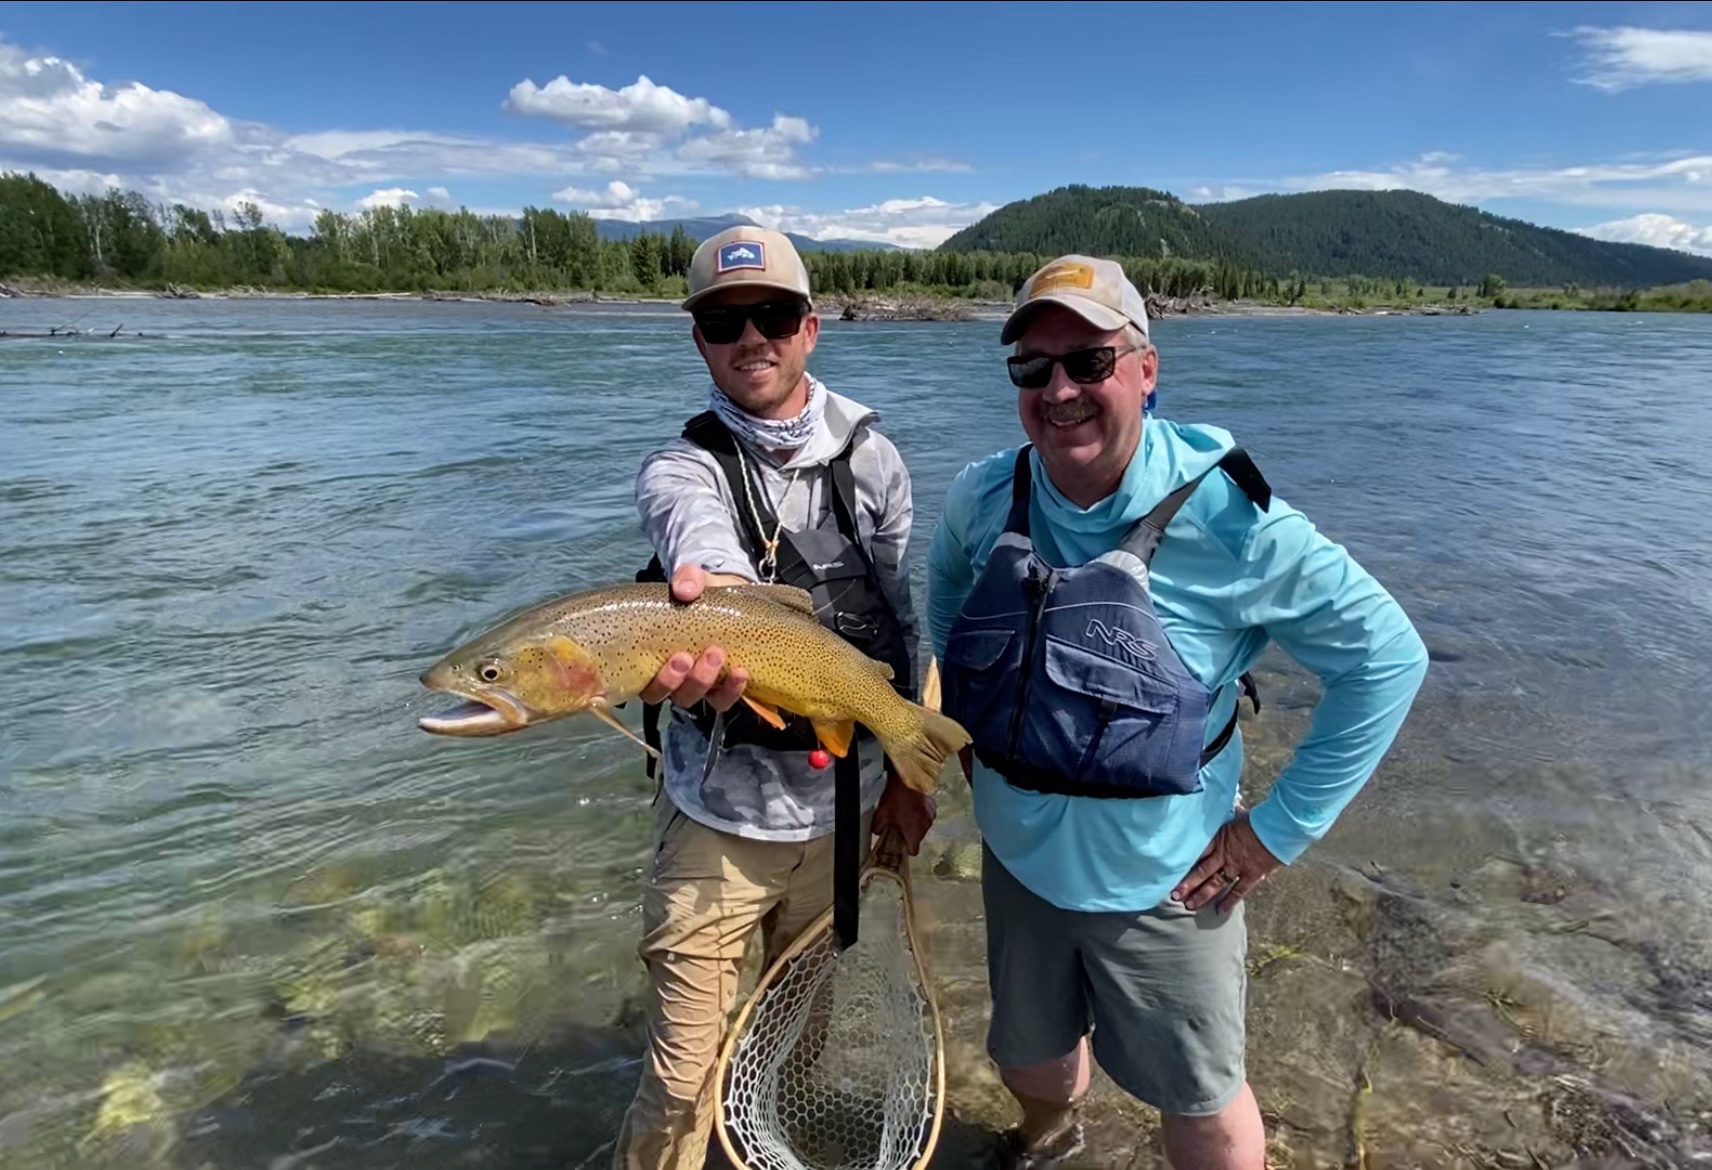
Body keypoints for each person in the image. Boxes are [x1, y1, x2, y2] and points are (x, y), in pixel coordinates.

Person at [927, 255, 1429, 1169]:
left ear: (1146, 369)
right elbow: (952, 604)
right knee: (1031, 1054)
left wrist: (1272, 835)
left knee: (1199, 1096)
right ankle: (1051, 1144)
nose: (1061, 390)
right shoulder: (980, 495)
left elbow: (1388, 661)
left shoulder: (1240, 526)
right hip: (1017, 857)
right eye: (1033, 369)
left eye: (1090, 361)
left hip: (1165, 881)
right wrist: (963, 733)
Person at [613, 225, 938, 1170]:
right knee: (681, 1076)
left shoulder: (875, 461)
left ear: (810, 326)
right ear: (699, 340)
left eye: (772, 316)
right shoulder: (681, 467)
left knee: (795, 1039)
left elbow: (900, 619)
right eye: (723, 321)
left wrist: (911, 780)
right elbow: (694, 537)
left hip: (843, 811)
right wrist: (711, 598)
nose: (750, 337)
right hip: (718, 817)